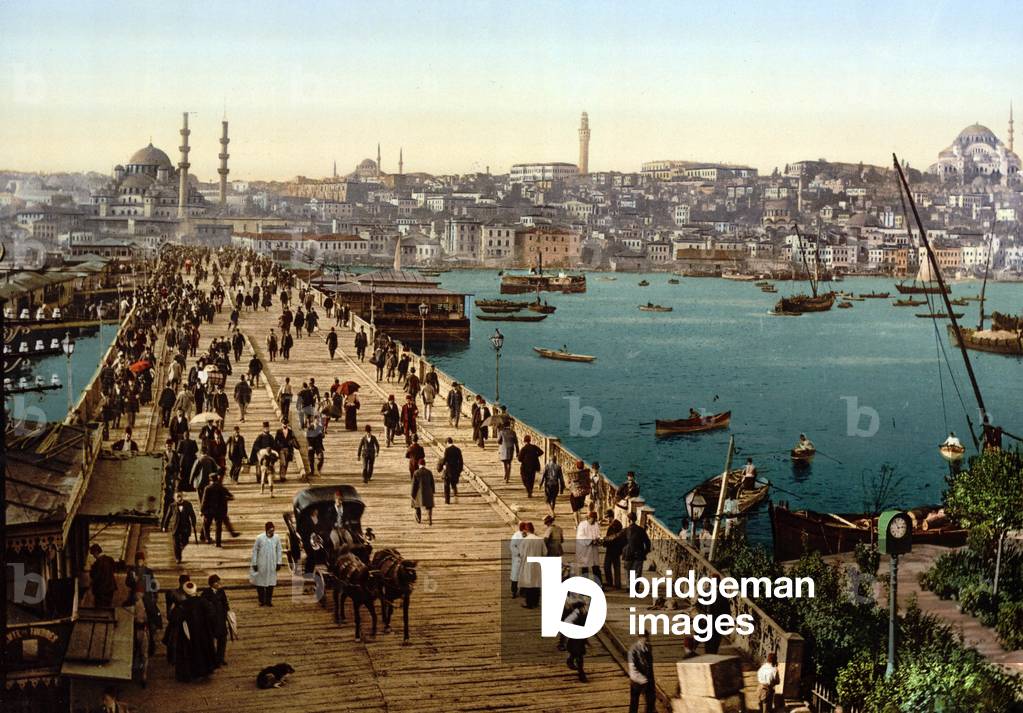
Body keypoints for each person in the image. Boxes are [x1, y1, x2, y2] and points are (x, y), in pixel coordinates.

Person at [169, 580, 217, 682]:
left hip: (188, 634)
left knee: (192, 653)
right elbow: (212, 612)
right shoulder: (203, 601)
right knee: (204, 651)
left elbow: (173, 618)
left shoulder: (183, 605)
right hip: (204, 633)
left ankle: (193, 673)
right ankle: (206, 671)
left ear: (185, 593)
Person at [250, 521, 283, 606]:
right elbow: (255, 551)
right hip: (262, 563)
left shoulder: (276, 538)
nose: (271, 532)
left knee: (271, 583)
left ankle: (268, 601)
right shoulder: (259, 538)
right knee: (260, 583)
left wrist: (279, 562)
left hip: (272, 563)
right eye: (270, 531)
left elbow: (279, 550)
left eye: (273, 530)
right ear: (266, 530)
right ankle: (261, 600)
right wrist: (254, 563)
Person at [200, 475, 238, 547]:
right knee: (218, 527)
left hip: (209, 510)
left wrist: (201, 510)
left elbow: (204, 501)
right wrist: (225, 499)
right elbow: (231, 497)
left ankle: (207, 539)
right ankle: (218, 543)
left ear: (210, 480)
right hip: (220, 510)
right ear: (217, 479)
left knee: (207, 525)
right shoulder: (221, 487)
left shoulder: (207, 488)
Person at [201, 574, 230, 667]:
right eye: (216, 582)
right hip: (211, 620)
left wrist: (226, 614)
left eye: (218, 582)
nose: (218, 584)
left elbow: (225, 604)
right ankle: (213, 659)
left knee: (223, 640)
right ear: (211, 583)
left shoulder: (221, 591)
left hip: (221, 619)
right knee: (211, 640)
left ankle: (220, 658)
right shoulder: (206, 593)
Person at [161, 491, 197, 563]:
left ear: (182, 496)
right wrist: (165, 526)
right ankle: (178, 558)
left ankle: (181, 547)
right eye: (177, 497)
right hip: (175, 527)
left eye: (180, 496)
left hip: (185, 527)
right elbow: (168, 516)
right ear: (175, 498)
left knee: (185, 541)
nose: (179, 498)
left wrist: (194, 523)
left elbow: (192, 515)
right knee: (175, 543)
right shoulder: (172, 506)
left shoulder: (188, 504)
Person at [518, 522, 546, 609]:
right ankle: (536, 602)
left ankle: (529, 603)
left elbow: (521, 553)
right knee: (537, 583)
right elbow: (545, 552)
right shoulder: (540, 539)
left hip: (527, 564)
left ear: (526, 530)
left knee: (529, 583)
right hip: (538, 564)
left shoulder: (524, 541)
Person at [627, 632, 655, 713]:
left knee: (650, 701)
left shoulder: (648, 647)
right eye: (646, 638)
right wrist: (642, 679)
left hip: (647, 679)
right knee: (634, 702)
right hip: (636, 680)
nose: (648, 640)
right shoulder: (633, 650)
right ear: (641, 638)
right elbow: (632, 668)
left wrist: (651, 679)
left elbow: (650, 665)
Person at [564, 600, 589, 682]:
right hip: (576, 637)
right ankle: (581, 673)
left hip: (582, 637)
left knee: (578, 652)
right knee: (579, 654)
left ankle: (570, 659)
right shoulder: (576, 613)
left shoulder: (585, 612)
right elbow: (567, 621)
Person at [575, 511, 603, 585]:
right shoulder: (582, 525)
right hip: (585, 550)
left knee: (596, 567)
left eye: (595, 519)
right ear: (589, 518)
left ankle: (599, 584)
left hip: (594, 550)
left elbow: (599, 534)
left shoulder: (596, 524)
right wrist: (591, 541)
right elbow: (580, 537)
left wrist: (599, 539)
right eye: (593, 519)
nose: (594, 521)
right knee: (585, 568)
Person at [623, 512, 652, 580]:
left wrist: (605, 540)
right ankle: (635, 587)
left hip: (628, 554)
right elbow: (647, 542)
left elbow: (617, 537)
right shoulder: (641, 530)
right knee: (637, 573)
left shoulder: (626, 530)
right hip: (639, 554)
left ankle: (629, 586)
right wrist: (645, 552)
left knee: (628, 571)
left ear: (629, 520)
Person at [603, 509, 625, 590]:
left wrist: (604, 541)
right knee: (616, 566)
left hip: (612, 549)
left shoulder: (614, 525)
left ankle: (610, 582)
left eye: (607, 517)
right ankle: (617, 583)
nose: (607, 519)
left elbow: (612, 538)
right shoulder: (618, 524)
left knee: (607, 566)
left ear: (610, 517)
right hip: (617, 549)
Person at [438, 436, 463, 504]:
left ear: (447, 443)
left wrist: (440, 467)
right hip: (455, 470)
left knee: (446, 485)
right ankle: (455, 492)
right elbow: (461, 461)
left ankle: (447, 500)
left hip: (448, 470)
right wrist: (459, 470)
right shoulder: (458, 449)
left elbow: (445, 459)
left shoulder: (447, 450)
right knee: (454, 482)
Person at [411, 458, 436, 525]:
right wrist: (433, 491)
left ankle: (419, 518)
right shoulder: (429, 472)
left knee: (417, 505)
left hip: (419, 492)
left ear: (419, 464)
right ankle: (430, 518)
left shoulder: (416, 473)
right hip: (428, 492)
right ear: (425, 464)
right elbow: (432, 483)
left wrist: (412, 494)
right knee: (429, 506)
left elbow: (414, 485)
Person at [509, 522, 526, 598]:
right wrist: (518, 553)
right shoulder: (516, 535)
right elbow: (512, 546)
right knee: (515, 575)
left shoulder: (527, 535)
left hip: (525, 558)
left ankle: (522, 591)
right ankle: (514, 591)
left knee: (524, 575)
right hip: (518, 558)